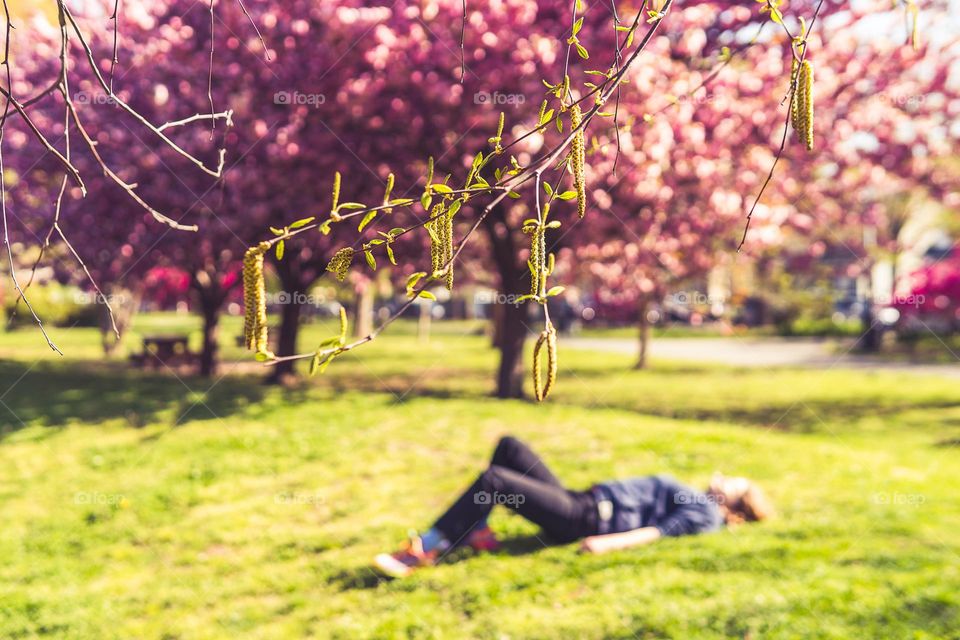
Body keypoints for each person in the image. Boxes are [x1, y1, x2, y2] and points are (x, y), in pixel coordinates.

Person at [375, 435, 773, 578]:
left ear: (734, 503)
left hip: (583, 520)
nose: (724, 475)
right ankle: (474, 531)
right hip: (583, 500)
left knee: (494, 480)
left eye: (734, 481)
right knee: (510, 447)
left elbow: (659, 532)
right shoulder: (702, 502)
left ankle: (427, 547)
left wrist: (607, 544)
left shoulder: (705, 513)